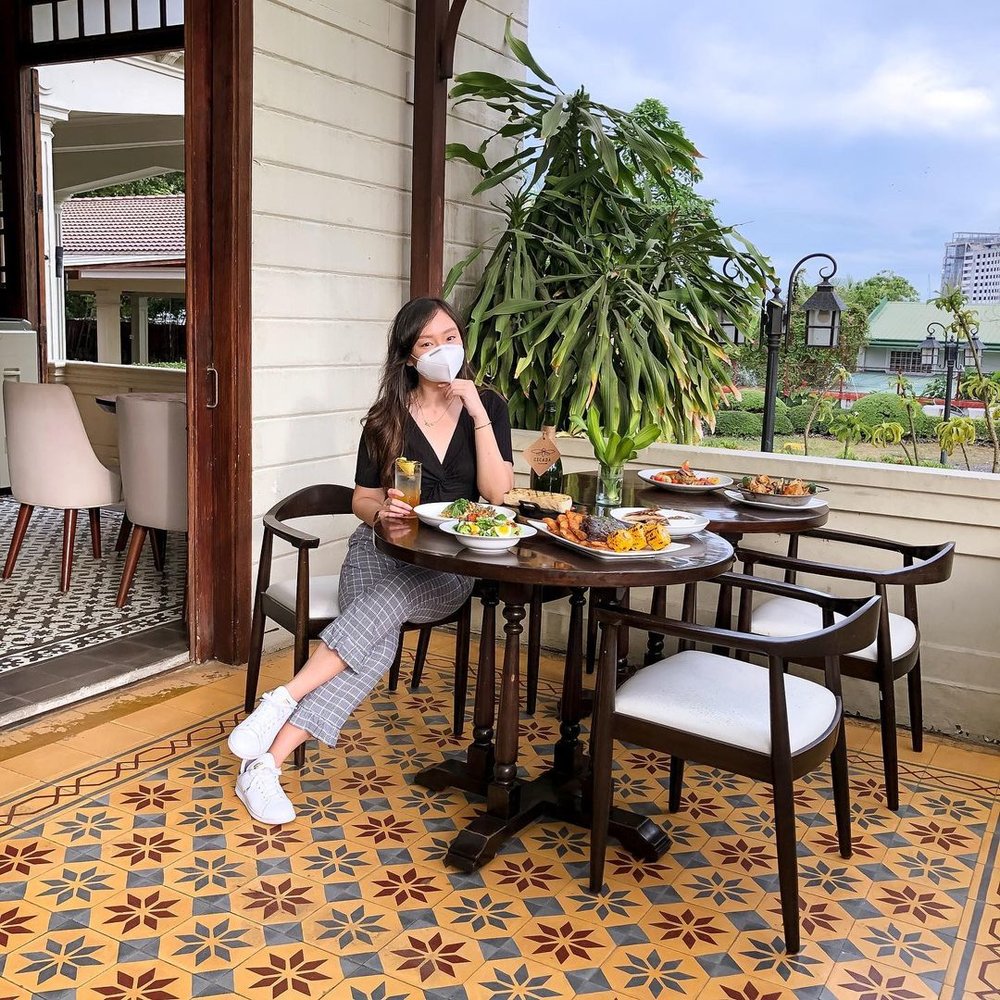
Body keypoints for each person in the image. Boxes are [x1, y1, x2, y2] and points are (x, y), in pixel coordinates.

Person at [228, 297, 515, 824]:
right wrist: (380, 511)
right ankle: (266, 765)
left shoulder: (489, 407)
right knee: (376, 646)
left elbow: (498, 496)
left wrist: (474, 410)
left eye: (450, 337)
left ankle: (279, 702)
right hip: (379, 549)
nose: (443, 350)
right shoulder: (386, 419)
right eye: (427, 343)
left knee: (385, 613)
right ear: (408, 358)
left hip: (447, 567)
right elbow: (360, 498)